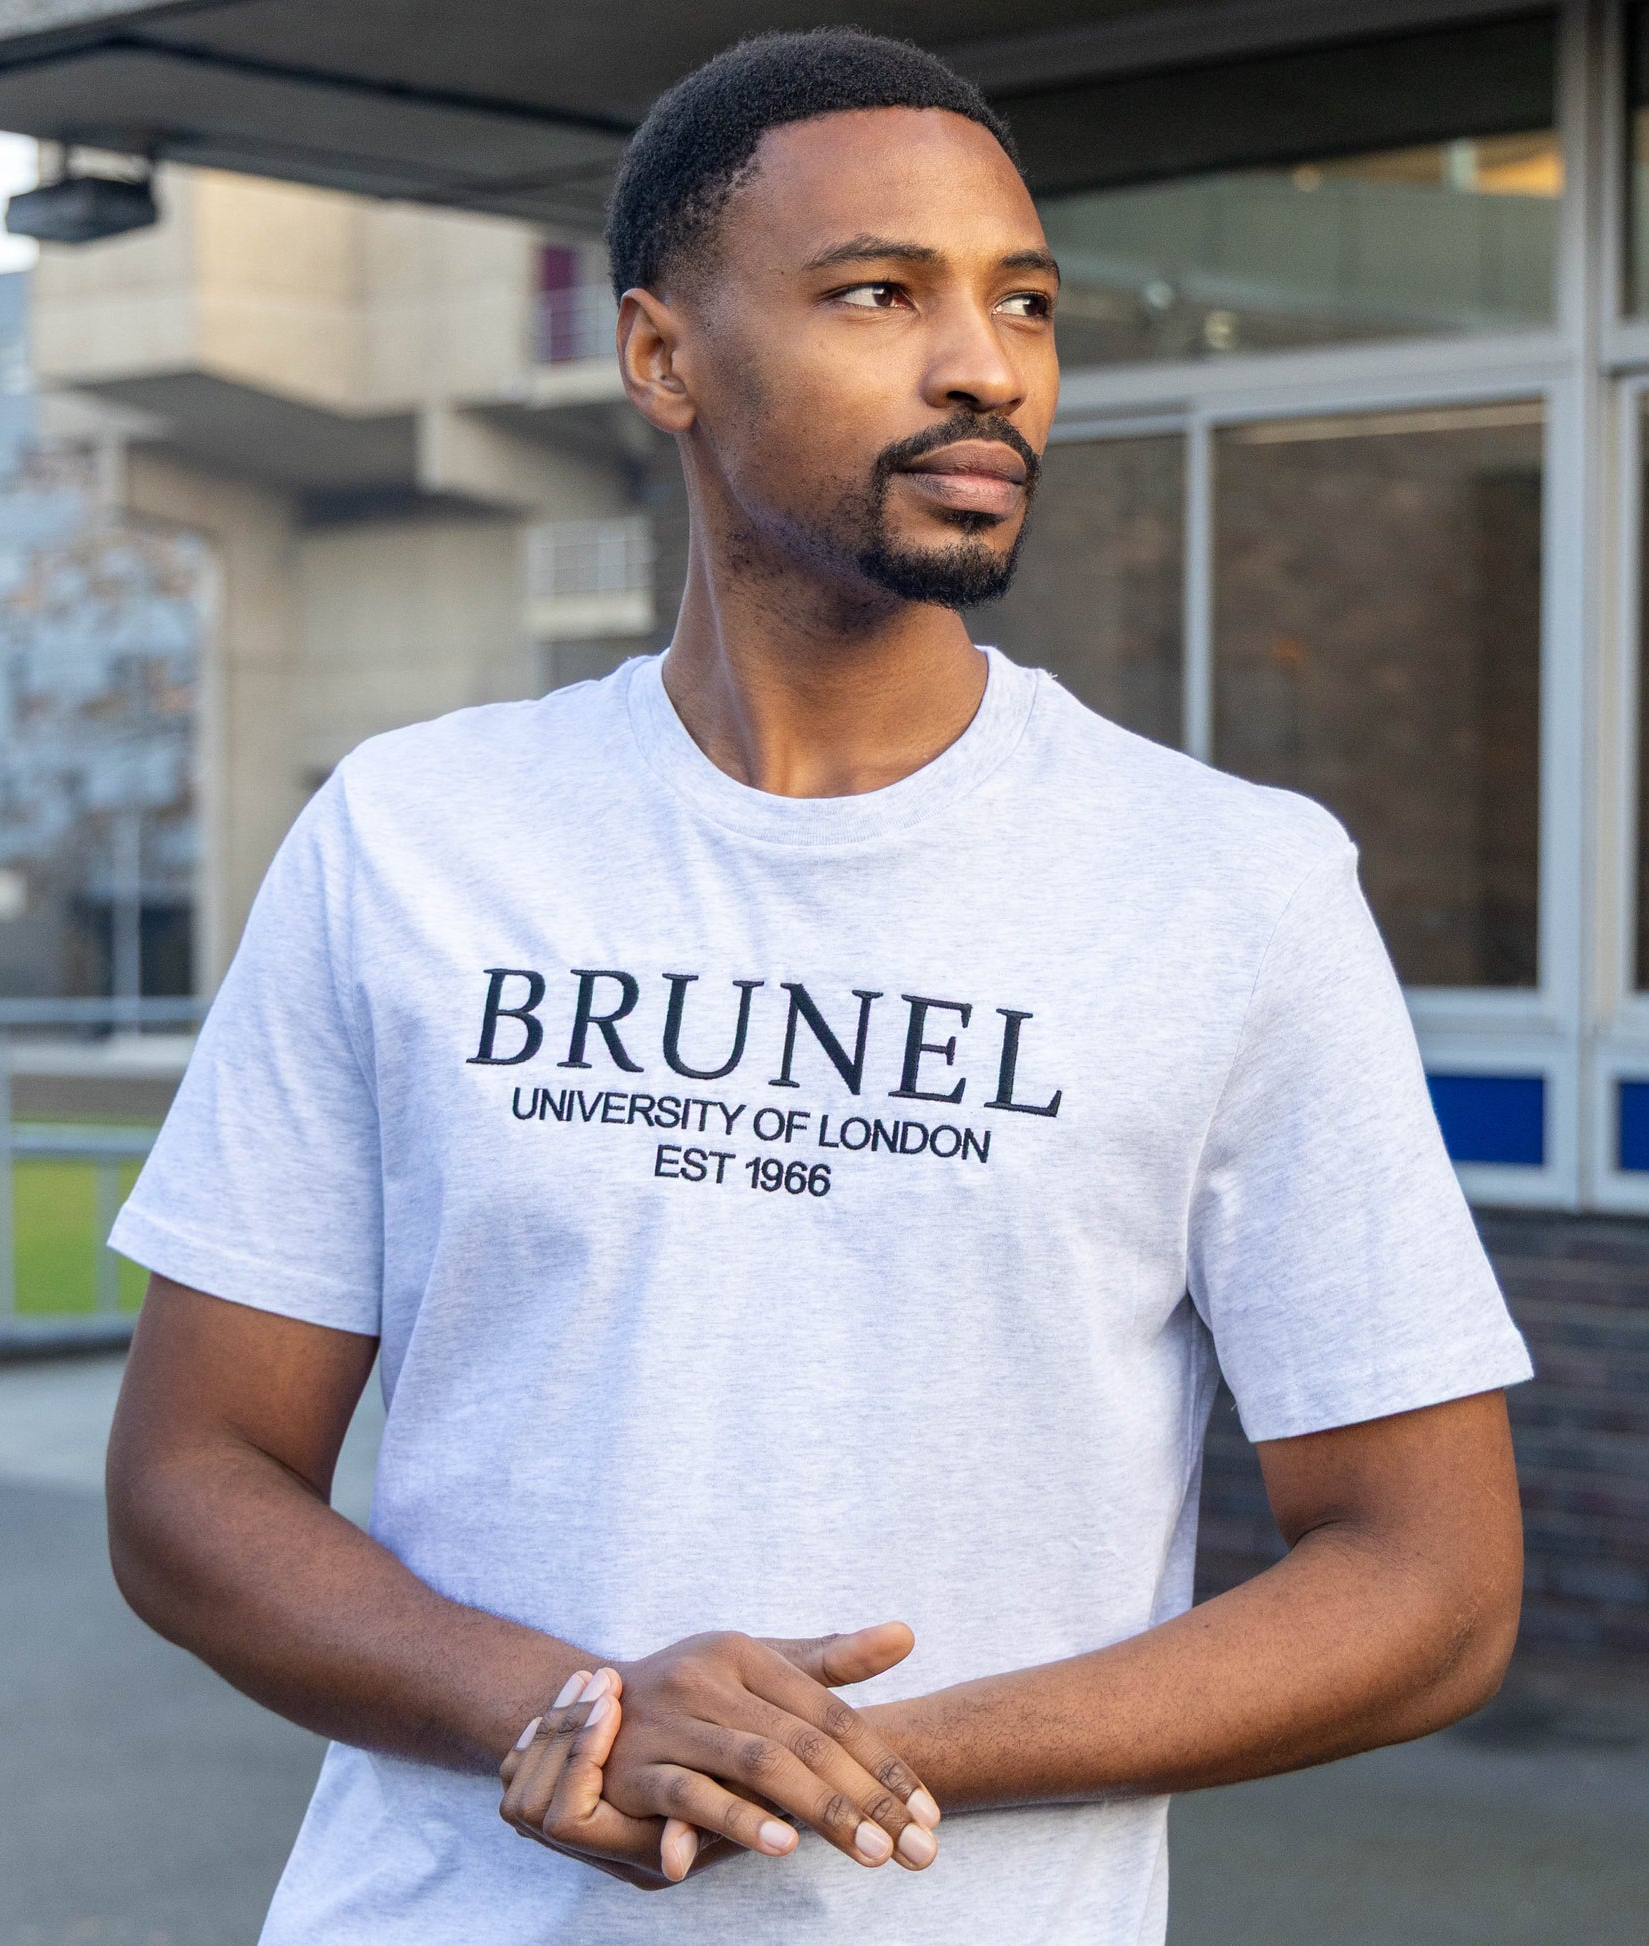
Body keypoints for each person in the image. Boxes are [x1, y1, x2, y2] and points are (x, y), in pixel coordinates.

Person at [104, 28, 1533, 1946]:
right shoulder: (414, 833)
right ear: (660, 356)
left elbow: (1432, 1584)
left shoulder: (1230, 884)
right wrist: (557, 1709)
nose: (984, 365)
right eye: (878, 292)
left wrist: (838, 1760)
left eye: (1024, 302)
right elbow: (193, 1476)